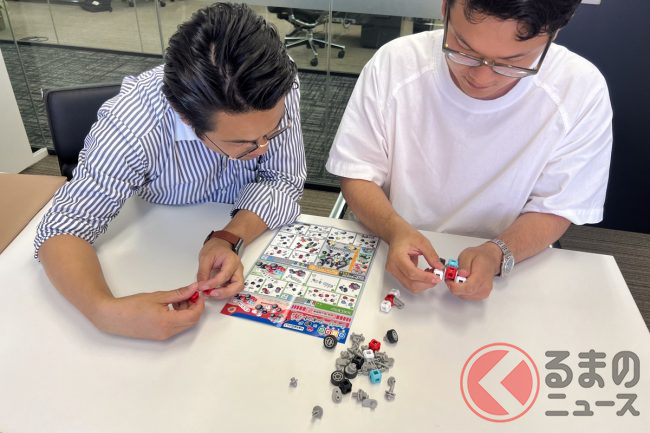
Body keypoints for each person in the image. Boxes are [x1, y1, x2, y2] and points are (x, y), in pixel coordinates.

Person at [35, 3, 306, 340]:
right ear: (185, 118)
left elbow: (281, 180)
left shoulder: (275, 83)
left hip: (239, 239)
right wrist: (104, 312)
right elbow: (62, 228)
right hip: (154, 241)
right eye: (243, 143)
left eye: (272, 132)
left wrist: (227, 237)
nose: (263, 148)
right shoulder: (131, 125)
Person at [326, 0, 612, 300]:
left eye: (512, 62)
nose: (481, 78)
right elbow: (356, 171)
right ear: (444, 9)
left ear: (553, 34)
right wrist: (394, 230)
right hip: (387, 244)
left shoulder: (579, 91)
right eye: (463, 48)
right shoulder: (395, 64)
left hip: (513, 265)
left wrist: (498, 253)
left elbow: (556, 206)